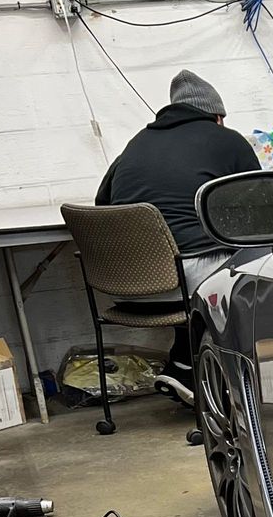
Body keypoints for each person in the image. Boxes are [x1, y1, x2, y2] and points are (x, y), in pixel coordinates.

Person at [95, 70, 260, 401]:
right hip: (182, 281)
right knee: (255, 261)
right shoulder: (227, 140)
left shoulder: (136, 143)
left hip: (125, 285)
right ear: (217, 116)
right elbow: (262, 205)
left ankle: (183, 365)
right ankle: (227, 378)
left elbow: (102, 203)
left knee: (190, 254)